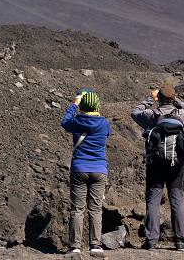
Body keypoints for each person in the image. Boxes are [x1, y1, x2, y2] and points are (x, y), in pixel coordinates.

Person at [130, 84, 184, 251]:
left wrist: (150, 99)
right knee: (177, 200)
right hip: (176, 165)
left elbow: (134, 112)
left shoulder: (151, 115)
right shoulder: (181, 115)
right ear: (173, 98)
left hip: (155, 164)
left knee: (153, 201)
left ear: (158, 98)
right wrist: (177, 101)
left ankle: (151, 240)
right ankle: (180, 240)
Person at [61, 89, 111, 258]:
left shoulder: (76, 122)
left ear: (82, 105)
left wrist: (74, 104)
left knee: (77, 209)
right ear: (97, 105)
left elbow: (64, 121)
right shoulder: (104, 123)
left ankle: (75, 247)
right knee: (96, 209)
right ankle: (95, 245)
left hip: (79, 169)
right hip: (99, 170)